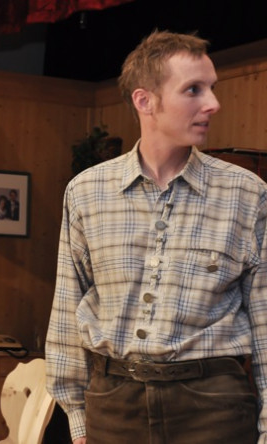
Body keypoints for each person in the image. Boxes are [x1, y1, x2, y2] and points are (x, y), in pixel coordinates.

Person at [45, 30, 267, 444]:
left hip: (214, 409)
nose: (213, 103)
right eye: (193, 90)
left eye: (213, 88)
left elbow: (265, 317)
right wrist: (77, 416)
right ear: (145, 101)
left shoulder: (246, 194)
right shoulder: (86, 192)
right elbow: (67, 304)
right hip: (113, 406)